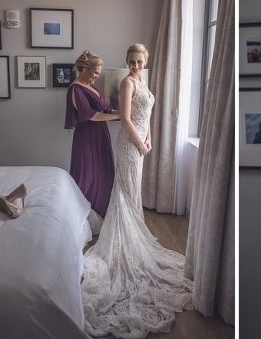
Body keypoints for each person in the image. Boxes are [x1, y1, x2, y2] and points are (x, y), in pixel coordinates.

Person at [80, 44, 193, 338]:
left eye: (139, 60)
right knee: (127, 191)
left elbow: (148, 117)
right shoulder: (127, 82)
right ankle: (125, 245)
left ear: (146, 61)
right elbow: (127, 118)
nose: (135, 64)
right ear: (126, 61)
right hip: (129, 145)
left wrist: (151, 138)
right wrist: (140, 143)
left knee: (131, 191)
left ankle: (132, 237)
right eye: (131, 60)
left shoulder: (143, 80)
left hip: (141, 142)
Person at [65, 50, 120, 219]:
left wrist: (122, 112)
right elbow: (90, 115)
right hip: (86, 138)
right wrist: (118, 116)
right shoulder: (75, 89)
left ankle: (103, 215)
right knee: (86, 175)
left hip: (100, 135)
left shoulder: (91, 87)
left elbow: (103, 109)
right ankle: (81, 217)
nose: (97, 76)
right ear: (85, 69)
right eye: (95, 73)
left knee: (103, 173)